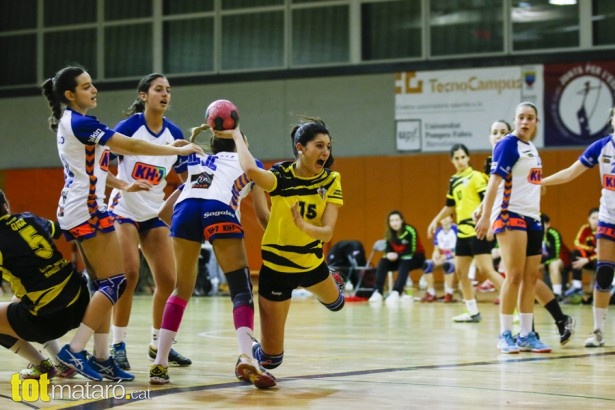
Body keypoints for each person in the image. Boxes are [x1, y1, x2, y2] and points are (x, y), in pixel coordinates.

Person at [41, 65, 204, 381]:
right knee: (117, 281)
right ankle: (76, 350)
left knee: (110, 283)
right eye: (86, 86)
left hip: (90, 205)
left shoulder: (78, 122)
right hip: (86, 209)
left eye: (92, 85)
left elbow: (99, 167)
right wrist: (174, 148)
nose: (94, 90)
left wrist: (125, 182)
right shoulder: (82, 123)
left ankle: (102, 357)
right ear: (70, 95)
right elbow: (129, 147)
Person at [149, 122, 273, 388]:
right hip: (220, 209)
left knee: (181, 290)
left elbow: (162, 212)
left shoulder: (198, 160)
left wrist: (195, 233)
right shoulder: (252, 164)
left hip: (185, 212)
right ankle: (247, 356)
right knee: (240, 289)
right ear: (241, 141)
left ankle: (159, 364)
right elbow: (263, 216)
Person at [221, 117, 345, 379]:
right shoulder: (281, 176)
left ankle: (333, 277)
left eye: (328, 147)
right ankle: (250, 357)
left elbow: (328, 232)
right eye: (319, 146)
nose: (326, 152)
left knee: (337, 304)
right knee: (272, 358)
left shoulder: (331, 180)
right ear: (300, 147)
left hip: (312, 264)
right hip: (277, 270)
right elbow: (252, 174)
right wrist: (236, 137)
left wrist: (304, 226)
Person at [105, 73, 192, 370]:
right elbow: (100, 166)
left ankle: (159, 344)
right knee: (129, 274)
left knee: (169, 280)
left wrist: (178, 199)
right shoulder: (129, 128)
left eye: (168, 90)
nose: (165, 94)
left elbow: (185, 180)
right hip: (123, 210)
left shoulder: (174, 133)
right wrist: (123, 185)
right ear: (144, 95)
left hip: (153, 214)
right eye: (158, 89)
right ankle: (117, 345)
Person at [475, 102, 551, 354]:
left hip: (533, 218)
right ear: (515, 120)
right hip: (510, 215)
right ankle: (504, 333)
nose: (525, 122)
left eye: (530, 118)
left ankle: (526, 335)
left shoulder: (532, 148)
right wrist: (486, 216)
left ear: (536, 123)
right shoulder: (507, 144)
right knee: (515, 275)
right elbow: (494, 183)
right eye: (521, 117)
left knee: (531, 277)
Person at [542, 108, 615, 347]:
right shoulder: (601, 147)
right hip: (608, 217)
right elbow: (572, 172)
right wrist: (542, 181)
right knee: (604, 273)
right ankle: (598, 332)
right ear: (611, 119)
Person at [0, 190, 88, 380]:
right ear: (5, 206)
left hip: (52, 318)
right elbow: (62, 231)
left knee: (28, 307)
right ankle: (61, 363)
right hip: (80, 301)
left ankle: (42, 366)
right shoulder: (30, 219)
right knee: (23, 301)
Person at [427, 143, 504, 323]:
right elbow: (450, 206)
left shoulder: (477, 177)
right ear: (452, 160)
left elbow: (488, 201)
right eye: (456, 158)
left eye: (463, 157)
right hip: (462, 233)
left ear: (468, 158)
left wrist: (491, 223)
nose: (460, 161)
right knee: (461, 273)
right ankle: (472, 312)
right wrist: (435, 220)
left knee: (487, 270)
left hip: (478, 230)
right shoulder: (453, 181)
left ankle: (514, 308)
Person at [367, 211, 426, 304]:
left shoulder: (410, 230)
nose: (394, 223)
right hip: (399, 258)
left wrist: (397, 255)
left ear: (402, 220)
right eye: (392, 221)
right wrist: (389, 254)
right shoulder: (389, 233)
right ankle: (378, 291)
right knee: (383, 261)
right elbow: (387, 248)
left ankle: (396, 292)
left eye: (397, 220)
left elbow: (412, 250)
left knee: (404, 262)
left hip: (416, 258)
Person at [564, 208, 598, 299]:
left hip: (595, 260)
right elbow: (577, 243)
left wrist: (588, 259)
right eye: (593, 218)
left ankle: (598, 289)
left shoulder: (604, 232)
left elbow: (603, 253)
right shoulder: (585, 229)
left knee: (599, 262)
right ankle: (577, 285)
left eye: (598, 218)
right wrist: (590, 250)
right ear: (588, 219)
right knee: (575, 253)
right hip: (584, 260)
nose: (596, 221)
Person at [421, 215, 457, 303]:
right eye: (442, 218)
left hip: (455, 258)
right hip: (442, 257)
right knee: (427, 264)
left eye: (447, 217)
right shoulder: (438, 231)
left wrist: (447, 256)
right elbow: (436, 249)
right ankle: (431, 292)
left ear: (451, 218)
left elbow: (458, 249)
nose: (444, 219)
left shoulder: (456, 230)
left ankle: (449, 293)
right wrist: (435, 256)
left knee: (448, 265)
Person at [541, 213, 571, 299]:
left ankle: (557, 294)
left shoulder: (554, 234)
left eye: (542, 224)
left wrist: (543, 263)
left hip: (560, 260)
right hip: (543, 262)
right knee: (528, 267)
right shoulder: (533, 235)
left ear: (548, 224)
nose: (540, 227)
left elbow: (555, 255)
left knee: (553, 265)